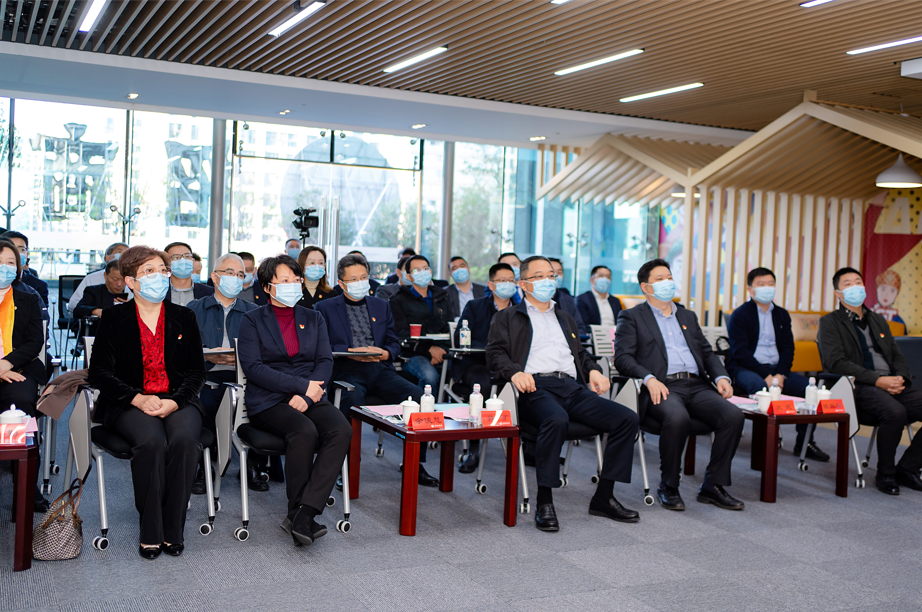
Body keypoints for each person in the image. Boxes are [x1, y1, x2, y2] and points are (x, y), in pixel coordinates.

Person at [486, 256, 640, 532]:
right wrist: (514, 373)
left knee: (627, 418)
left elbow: (580, 355)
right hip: (534, 388)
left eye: (550, 275)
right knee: (556, 419)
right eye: (539, 276)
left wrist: (593, 371)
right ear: (523, 284)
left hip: (571, 388)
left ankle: (604, 497)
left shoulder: (565, 317)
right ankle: (545, 501)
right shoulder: (507, 317)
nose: (548, 281)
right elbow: (495, 354)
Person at [87, 245, 206, 559]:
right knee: (151, 442)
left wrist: (176, 402)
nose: (159, 277)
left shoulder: (184, 317)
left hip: (178, 399)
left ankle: (173, 528)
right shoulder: (114, 317)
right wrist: (136, 398)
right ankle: (151, 530)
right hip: (129, 401)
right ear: (131, 281)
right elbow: (99, 373)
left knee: (184, 442)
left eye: (162, 270)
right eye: (149, 271)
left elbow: (197, 372)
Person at [237, 253, 352, 547]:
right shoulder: (251, 320)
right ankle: (296, 511)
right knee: (304, 430)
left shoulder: (313, 317)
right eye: (284, 280)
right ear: (267, 286)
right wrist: (302, 387)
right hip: (268, 400)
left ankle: (305, 512)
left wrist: (307, 396)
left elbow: (325, 361)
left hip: (310, 396)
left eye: (295, 279)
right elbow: (254, 368)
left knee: (341, 429)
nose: (293, 285)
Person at [613, 258, 745, 512]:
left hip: (696, 385)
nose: (668, 283)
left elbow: (706, 352)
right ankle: (669, 485)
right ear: (646, 287)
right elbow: (623, 358)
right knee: (677, 417)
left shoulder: (686, 315)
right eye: (660, 279)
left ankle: (712, 486)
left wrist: (721, 377)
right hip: (662, 385)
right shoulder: (632, 316)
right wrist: (648, 378)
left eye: (669, 278)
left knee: (733, 415)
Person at [316, 254, 439, 487]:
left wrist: (384, 353)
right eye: (353, 279)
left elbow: (393, 342)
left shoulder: (381, 305)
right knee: (351, 399)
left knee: (418, 398)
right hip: (347, 369)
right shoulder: (325, 307)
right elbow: (321, 345)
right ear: (341, 283)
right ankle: (347, 466)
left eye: (363, 277)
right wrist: (351, 351)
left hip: (380, 368)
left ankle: (415, 464)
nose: (360, 282)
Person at [818, 267, 922, 495]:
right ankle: (886, 474)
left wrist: (900, 378)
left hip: (892, 384)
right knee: (895, 413)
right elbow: (836, 363)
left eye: (858, 282)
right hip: (859, 387)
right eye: (848, 284)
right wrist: (878, 380)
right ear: (838, 293)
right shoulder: (830, 322)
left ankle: (908, 468)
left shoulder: (878, 320)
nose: (855, 287)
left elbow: (897, 355)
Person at [726, 267, 828, 461]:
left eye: (770, 284)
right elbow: (740, 352)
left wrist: (780, 375)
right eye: (761, 284)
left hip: (776, 371)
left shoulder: (781, 314)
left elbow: (788, 349)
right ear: (750, 289)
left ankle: (805, 443)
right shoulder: (740, 314)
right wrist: (767, 376)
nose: (767, 288)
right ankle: (763, 445)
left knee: (809, 390)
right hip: (746, 368)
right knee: (762, 389)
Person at [187, 253, 262, 494]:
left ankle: (252, 464)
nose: (236, 278)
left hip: (244, 375)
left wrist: (241, 356)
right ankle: (203, 466)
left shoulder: (255, 311)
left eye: (240, 274)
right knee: (204, 402)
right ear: (215, 276)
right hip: (207, 374)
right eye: (230, 273)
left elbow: (265, 350)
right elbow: (182, 349)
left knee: (264, 402)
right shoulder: (194, 309)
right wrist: (206, 354)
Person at [453, 262, 519, 473]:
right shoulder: (475, 306)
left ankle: (530, 447)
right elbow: (461, 338)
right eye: (502, 280)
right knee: (482, 386)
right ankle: (473, 448)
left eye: (511, 280)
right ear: (491, 285)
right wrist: (492, 349)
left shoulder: (521, 310)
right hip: (477, 364)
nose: (508, 284)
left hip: (509, 367)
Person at [0, 239, 51, 512]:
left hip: (17, 368)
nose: (5, 268)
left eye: (10, 262)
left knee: (20, 402)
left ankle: (26, 489)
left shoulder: (28, 297)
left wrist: (6, 364)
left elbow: (34, 342)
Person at [389, 254, 451, 392]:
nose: (422, 272)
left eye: (425, 268)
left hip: (443, 350)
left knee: (467, 370)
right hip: (412, 353)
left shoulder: (442, 296)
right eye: (416, 270)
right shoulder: (398, 300)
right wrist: (429, 349)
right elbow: (401, 332)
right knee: (429, 376)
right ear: (409, 276)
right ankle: (425, 406)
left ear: (431, 272)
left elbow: (450, 327)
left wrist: (441, 350)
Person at [74, 259, 130, 336]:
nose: (119, 284)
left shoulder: (132, 293)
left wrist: (130, 307)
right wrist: (96, 311)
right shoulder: (93, 291)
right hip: (98, 334)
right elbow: (78, 309)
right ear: (105, 275)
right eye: (115, 279)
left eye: (123, 280)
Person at [68, 242, 129, 313]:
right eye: (120, 253)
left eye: (127, 255)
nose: (119, 284)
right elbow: (74, 305)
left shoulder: (133, 280)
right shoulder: (91, 279)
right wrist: (95, 311)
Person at [1, 230, 49, 308]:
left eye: (21, 249)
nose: (16, 253)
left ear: (26, 255)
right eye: (11, 248)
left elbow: (42, 314)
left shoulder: (39, 286)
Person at [164, 242, 213, 306]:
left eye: (187, 256)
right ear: (166, 264)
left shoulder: (210, 293)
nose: (182, 260)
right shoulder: (159, 291)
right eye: (176, 257)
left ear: (193, 261)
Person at [548, 257, 588, 336]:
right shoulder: (535, 298)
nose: (556, 276)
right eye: (552, 272)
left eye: (559, 272)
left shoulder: (568, 300)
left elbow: (580, 327)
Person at [447, 256, 485, 320]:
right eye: (455, 268)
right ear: (450, 274)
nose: (459, 270)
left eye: (462, 266)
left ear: (468, 269)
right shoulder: (445, 294)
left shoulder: (483, 291)